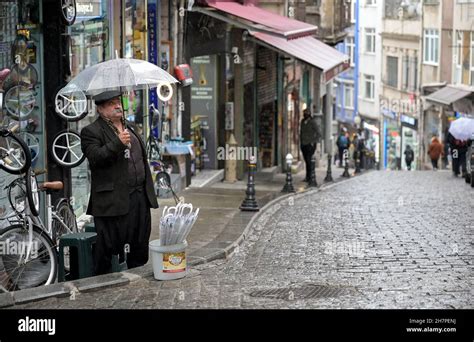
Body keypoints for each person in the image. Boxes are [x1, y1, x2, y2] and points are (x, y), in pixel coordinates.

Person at [81, 90, 159, 275]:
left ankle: (137, 278)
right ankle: (101, 286)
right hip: (112, 201)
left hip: (139, 196)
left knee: (140, 243)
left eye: (118, 101)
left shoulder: (130, 127)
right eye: (111, 104)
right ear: (100, 109)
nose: (117, 106)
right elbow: (95, 157)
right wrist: (117, 143)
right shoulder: (91, 131)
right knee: (107, 248)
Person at [300, 108, 320, 182]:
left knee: (309, 160)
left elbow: (318, 133)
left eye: (306, 113)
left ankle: (311, 176)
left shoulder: (312, 122)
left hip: (310, 144)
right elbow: (301, 132)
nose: (304, 114)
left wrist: (313, 141)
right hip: (303, 144)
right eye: (304, 113)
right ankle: (307, 176)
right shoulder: (302, 122)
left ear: (309, 114)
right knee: (306, 160)